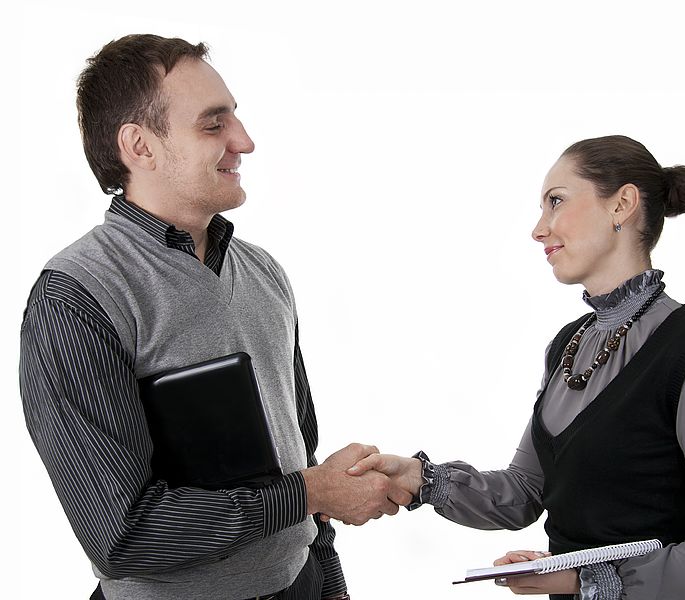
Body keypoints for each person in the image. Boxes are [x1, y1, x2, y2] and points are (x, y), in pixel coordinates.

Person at [19, 34, 409, 600]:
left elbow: (300, 458)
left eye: (236, 119)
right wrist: (309, 493)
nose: (244, 141)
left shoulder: (264, 272)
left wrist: (329, 578)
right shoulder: (77, 297)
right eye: (213, 124)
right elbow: (122, 536)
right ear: (140, 146)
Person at [347, 135, 685, 599]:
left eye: (556, 202)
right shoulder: (569, 344)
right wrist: (420, 479)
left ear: (622, 205)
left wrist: (581, 579)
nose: (538, 229)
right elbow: (527, 491)